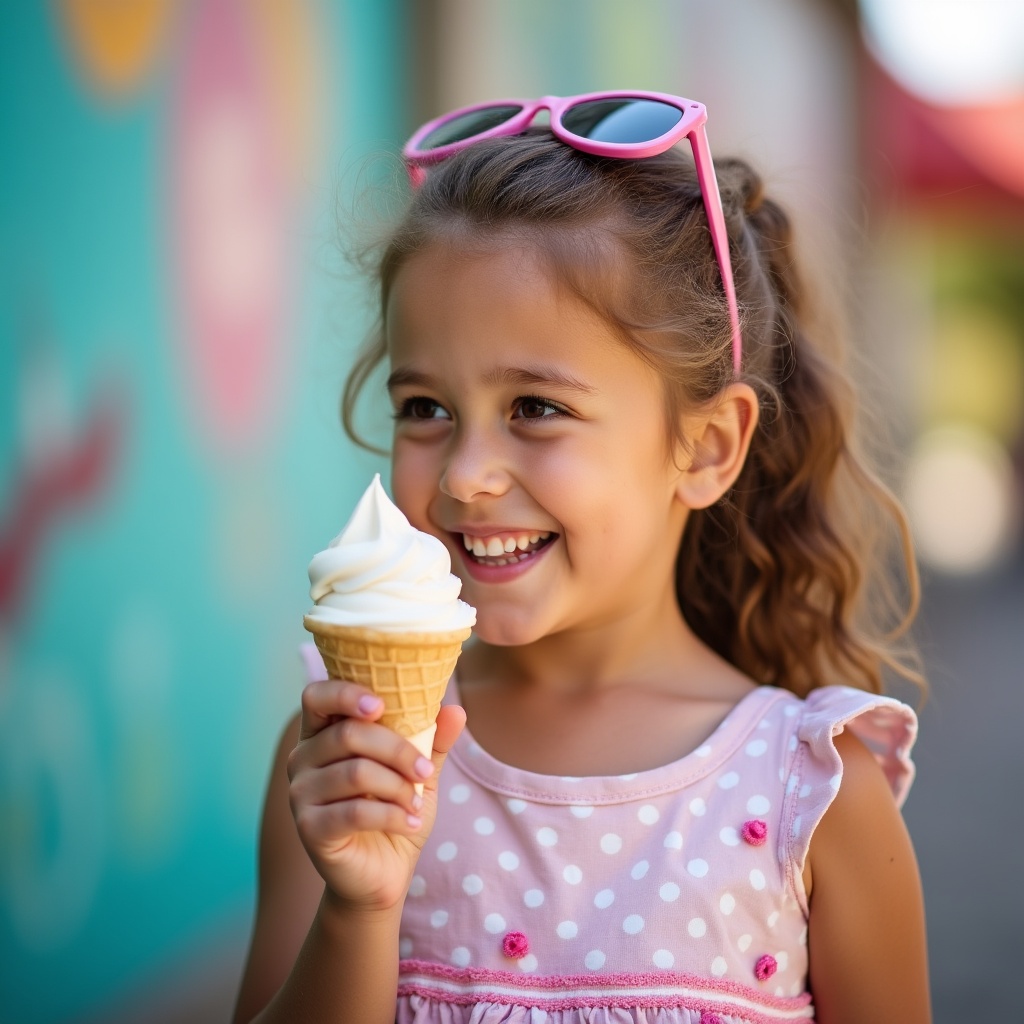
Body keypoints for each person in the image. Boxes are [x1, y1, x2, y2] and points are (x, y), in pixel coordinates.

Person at [233, 93, 931, 1024]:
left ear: (709, 446)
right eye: (424, 408)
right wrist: (360, 910)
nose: (468, 475)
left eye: (536, 407)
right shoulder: (351, 758)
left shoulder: (815, 797)